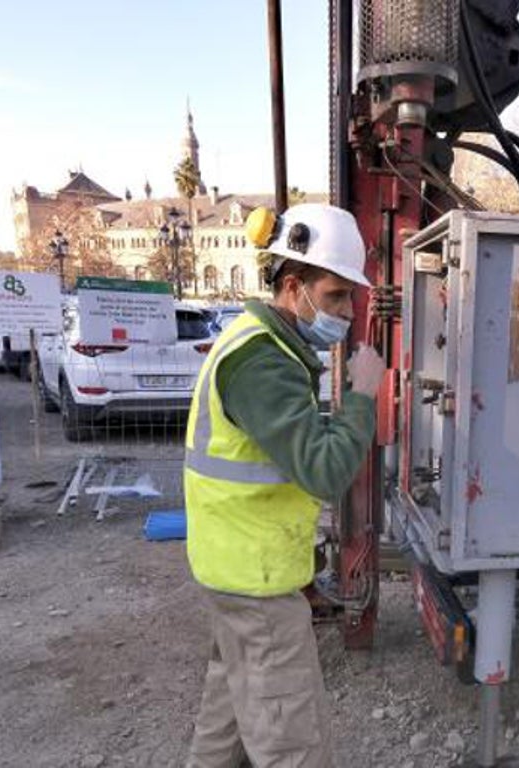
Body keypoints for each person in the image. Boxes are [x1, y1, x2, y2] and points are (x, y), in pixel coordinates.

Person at [185, 203, 387, 768]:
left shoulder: (263, 346)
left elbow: (280, 443)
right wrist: (365, 397)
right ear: (294, 287)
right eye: (335, 297)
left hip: (234, 570)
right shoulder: (262, 363)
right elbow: (323, 469)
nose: (347, 313)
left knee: (225, 718)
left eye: (351, 298)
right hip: (257, 583)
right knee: (291, 740)